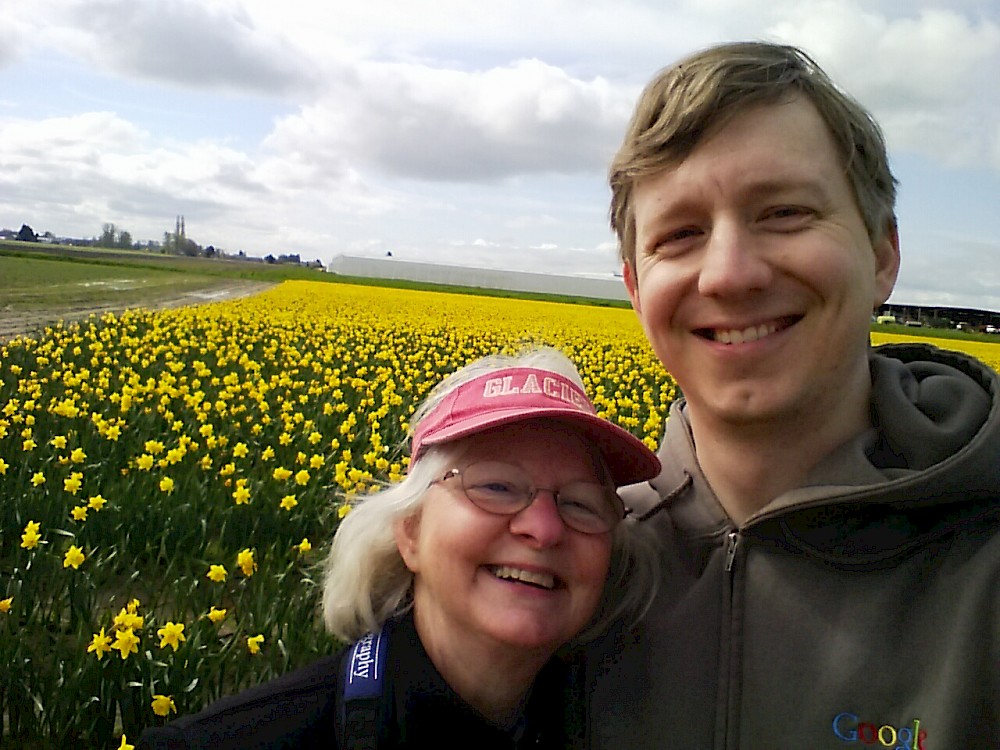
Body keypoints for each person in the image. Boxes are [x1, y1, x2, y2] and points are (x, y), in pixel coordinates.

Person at [588, 41, 1000, 748]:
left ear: (882, 256)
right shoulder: (579, 565)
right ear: (634, 288)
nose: (729, 275)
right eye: (680, 234)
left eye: (783, 213)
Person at [138, 347, 661, 749]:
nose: (544, 529)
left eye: (580, 504)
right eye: (496, 486)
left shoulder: (628, 727)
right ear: (409, 530)